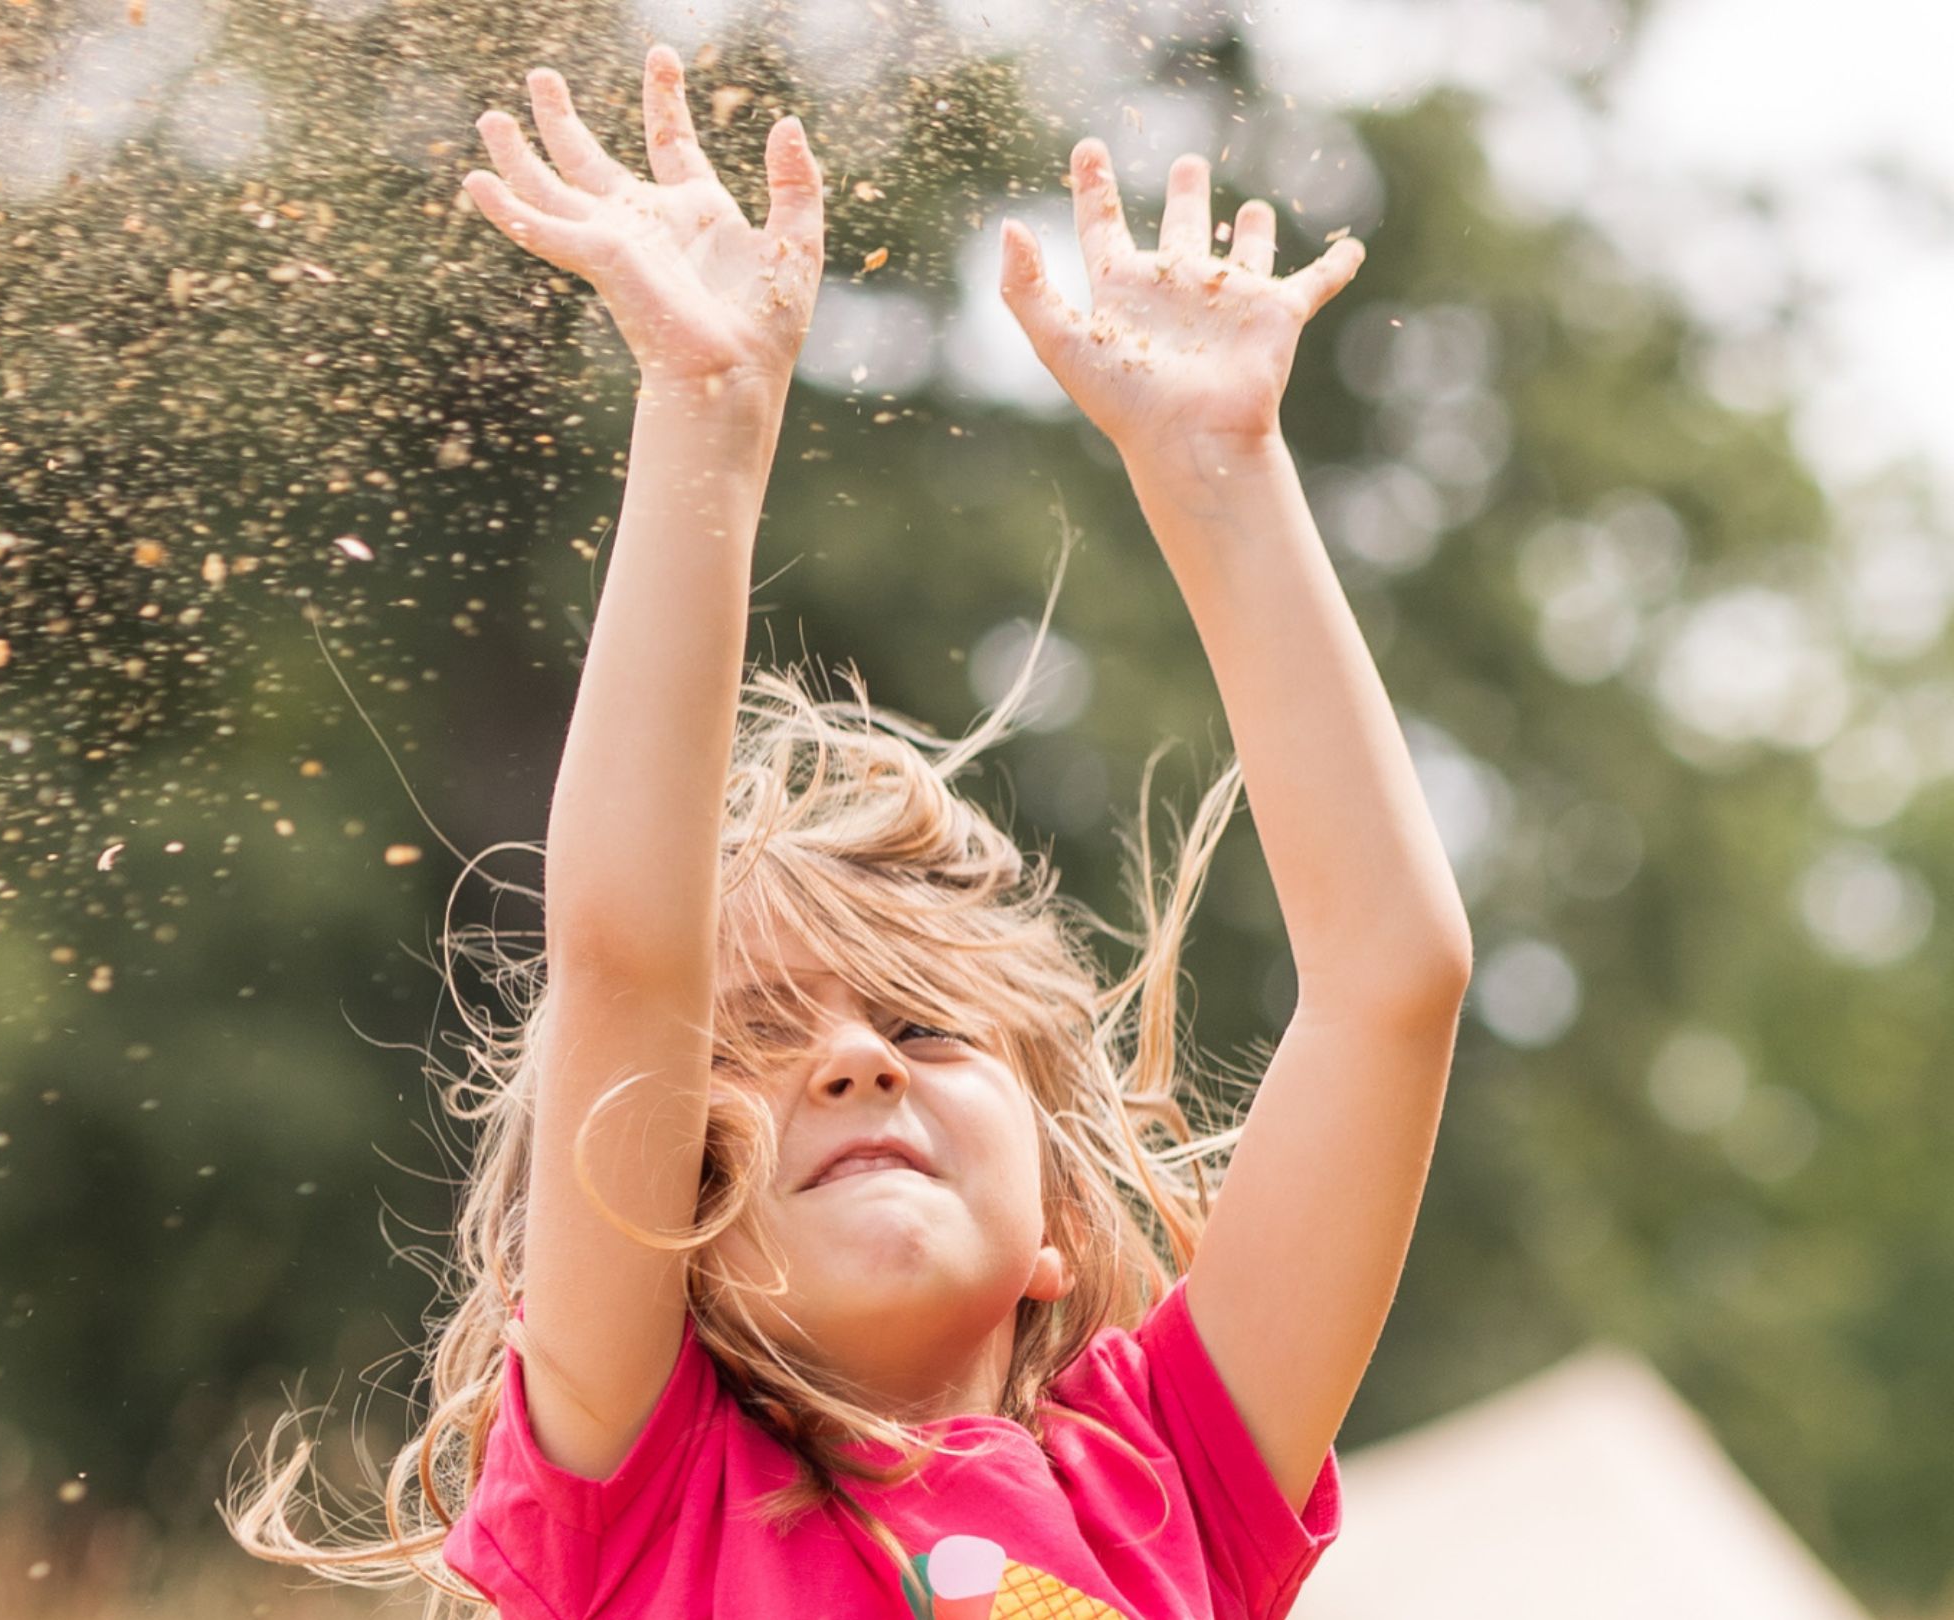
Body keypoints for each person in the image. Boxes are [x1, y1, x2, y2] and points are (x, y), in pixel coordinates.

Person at [231, 46, 1471, 1620]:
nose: (856, 1062)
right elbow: (624, 963)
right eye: (749, 1043)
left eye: (925, 1025)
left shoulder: (1170, 1475)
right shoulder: (640, 1493)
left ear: (1058, 1228)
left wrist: (1220, 469)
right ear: (661, 1220)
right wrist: (705, 405)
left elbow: (1394, 983)